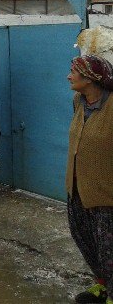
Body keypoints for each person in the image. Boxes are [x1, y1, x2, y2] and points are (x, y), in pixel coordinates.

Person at [65, 55, 113, 304]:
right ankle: (103, 285)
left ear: (91, 78)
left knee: (110, 250)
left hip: (105, 193)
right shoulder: (78, 101)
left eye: (73, 72)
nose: (68, 76)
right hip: (77, 188)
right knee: (85, 239)